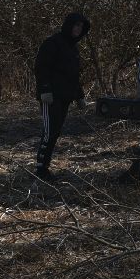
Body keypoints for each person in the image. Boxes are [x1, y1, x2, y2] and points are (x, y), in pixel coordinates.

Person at [33, 11, 90, 180]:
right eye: (76, 25)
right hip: (50, 97)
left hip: (65, 97)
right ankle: (40, 169)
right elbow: (41, 68)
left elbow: (73, 76)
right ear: (68, 25)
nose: (78, 29)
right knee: (49, 132)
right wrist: (44, 90)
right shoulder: (52, 43)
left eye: (81, 26)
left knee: (56, 131)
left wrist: (80, 96)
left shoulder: (73, 49)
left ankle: (45, 167)